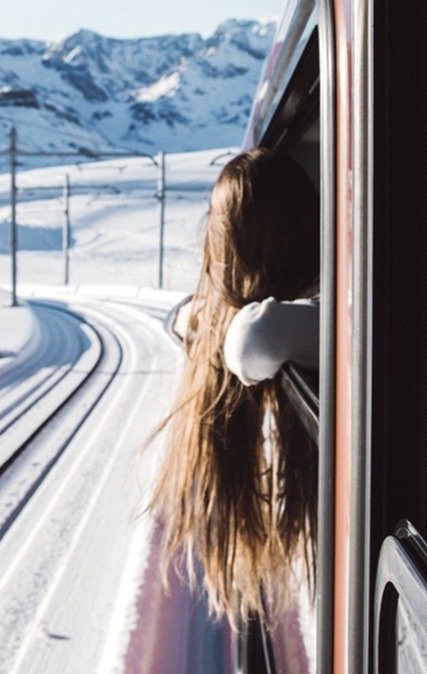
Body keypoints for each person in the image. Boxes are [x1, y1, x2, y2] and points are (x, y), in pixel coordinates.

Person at [151, 147, 320, 627]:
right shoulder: (317, 310)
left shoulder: (328, 314)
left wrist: (211, 320)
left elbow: (250, 340)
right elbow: (185, 314)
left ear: (228, 247)